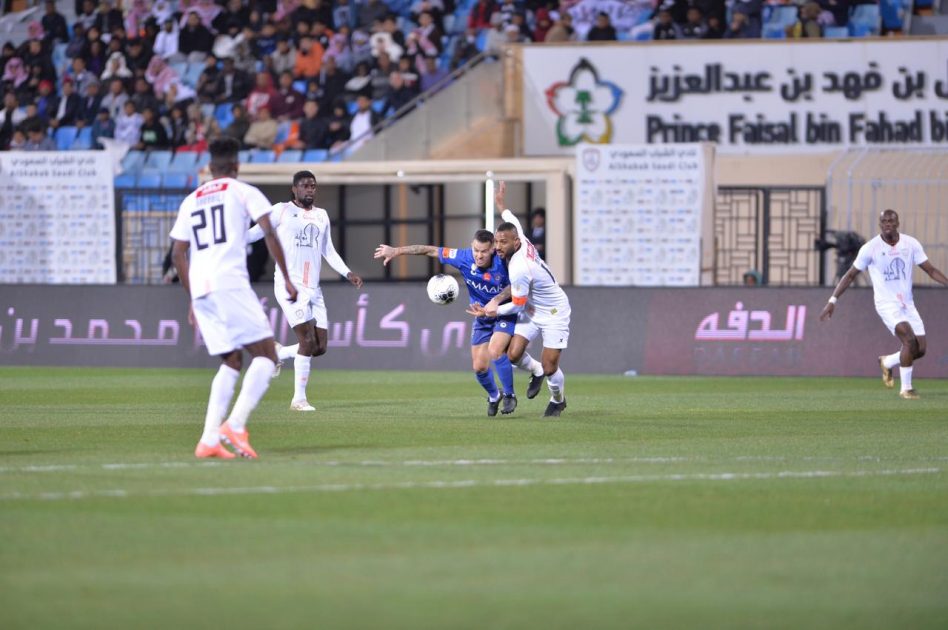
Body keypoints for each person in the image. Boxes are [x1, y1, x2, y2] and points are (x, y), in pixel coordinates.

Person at [170, 136, 298, 459]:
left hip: (202, 289)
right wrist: (287, 277)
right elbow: (269, 232)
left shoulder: (191, 200)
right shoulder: (243, 191)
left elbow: (178, 253)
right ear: (237, 166)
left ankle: (209, 439)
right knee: (267, 355)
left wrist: (192, 298)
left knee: (231, 361)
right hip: (229, 283)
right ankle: (236, 425)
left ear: (209, 167)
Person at [374, 230, 540, 417]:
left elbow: (517, 285)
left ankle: (510, 395)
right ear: (471, 247)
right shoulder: (462, 257)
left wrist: (497, 300)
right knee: (479, 367)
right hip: (481, 316)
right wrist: (397, 251)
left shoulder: (504, 261)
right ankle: (495, 395)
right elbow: (429, 250)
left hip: (503, 313)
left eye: (484, 251)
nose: (479, 255)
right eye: (476, 250)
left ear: (492, 249)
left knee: (495, 350)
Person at [247, 171, 364, 411]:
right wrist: (229, 239)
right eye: (305, 186)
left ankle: (277, 354)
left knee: (319, 347)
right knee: (307, 341)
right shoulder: (281, 210)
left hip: (314, 288)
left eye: (313, 186)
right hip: (289, 286)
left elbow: (328, 250)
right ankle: (298, 400)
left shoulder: (322, 215)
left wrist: (347, 272)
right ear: (294, 189)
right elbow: (254, 233)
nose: (310, 189)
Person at [820, 209, 948, 399]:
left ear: (897, 223)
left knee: (919, 349)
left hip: (907, 303)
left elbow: (931, 270)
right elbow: (850, 275)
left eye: (891, 220)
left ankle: (887, 362)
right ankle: (906, 389)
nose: (888, 223)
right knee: (908, 340)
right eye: (884, 221)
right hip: (886, 304)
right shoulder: (870, 248)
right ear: (880, 224)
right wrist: (832, 300)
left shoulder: (911, 244)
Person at [472, 181, 571, 417]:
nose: (498, 247)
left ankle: (558, 400)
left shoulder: (519, 267)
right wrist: (500, 204)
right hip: (533, 309)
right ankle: (536, 371)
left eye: (503, 242)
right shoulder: (519, 236)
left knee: (550, 366)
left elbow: (517, 305)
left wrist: (492, 310)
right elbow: (510, 218)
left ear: (516, 242)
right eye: (497, 241)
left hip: (554, 311)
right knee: (513, 355)